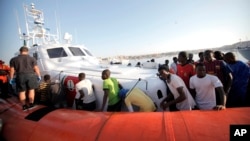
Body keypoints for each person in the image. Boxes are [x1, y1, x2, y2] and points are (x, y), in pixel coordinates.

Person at [9, 46, 41, 111]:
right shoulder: (32, 59)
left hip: (20, 76)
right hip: (31, 75)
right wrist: (39, 75)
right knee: (31, 90)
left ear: (20, 51)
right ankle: (31, 104)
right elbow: (36, 68)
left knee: (21, 91)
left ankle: (24, 106)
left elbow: (12, 70)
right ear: (27, 51)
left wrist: (11, 78)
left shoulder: (13, 59)